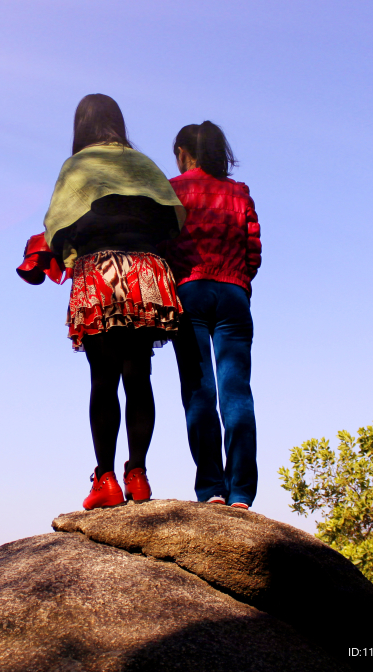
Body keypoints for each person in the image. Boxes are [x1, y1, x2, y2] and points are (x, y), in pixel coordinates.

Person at [43, 94, 186, 510]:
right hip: (145, 270)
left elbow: (57, 228)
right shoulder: (142, 164)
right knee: (138, 376)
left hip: (101, 272)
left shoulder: (78, 166)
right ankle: (137, 474)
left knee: (103, 380)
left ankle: (105, 479)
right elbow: (173, 218)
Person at [165, 121, 261, 509]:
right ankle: (241, 493)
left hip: (190, 291)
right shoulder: (239, 193)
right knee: (237, 393)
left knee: (199, 393)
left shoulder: (173, 190)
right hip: (234, 295)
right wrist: (237, 279)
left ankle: (212, 489)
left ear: (184, 154)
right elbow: (254, 250)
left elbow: (165, 245)